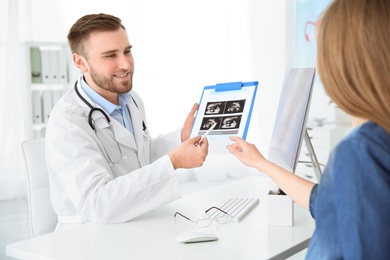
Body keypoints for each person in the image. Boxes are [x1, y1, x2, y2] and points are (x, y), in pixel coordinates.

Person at [227, 0, 390, 258]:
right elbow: (327, 202)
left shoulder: (359, 153)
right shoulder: (377, 141)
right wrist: (262, 163)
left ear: (345, 61)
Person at [45, 13, 208, 231]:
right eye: (110, 55)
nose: (125, 64)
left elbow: (139, 156)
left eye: (127, 51)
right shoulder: (67, 122)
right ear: (80, 62)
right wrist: (173, 162)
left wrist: (181, 138)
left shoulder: (130, 100)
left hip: (134, 219)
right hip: (89, 235)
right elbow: (97, 204)